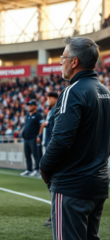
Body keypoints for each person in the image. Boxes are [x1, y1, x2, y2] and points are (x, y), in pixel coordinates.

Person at [40, 36, 110, 240]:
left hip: (72, 185)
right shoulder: (105, 92)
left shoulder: (72, 92)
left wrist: (44, 167)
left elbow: (61, 140)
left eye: (63, 57)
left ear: (74, 61)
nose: (61, 63)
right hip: (97, 185)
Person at [36, 91, 59, 228]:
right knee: (52, 184)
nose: (47, 99)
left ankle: (55, 216)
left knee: (54, 183)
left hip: (53, 151)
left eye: (50, 97)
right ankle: (55, 214)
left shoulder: (57, 110)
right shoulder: (51, 111)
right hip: (50, 149)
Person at [20, 100, 43, 177]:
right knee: (27, 155)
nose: (29, 106)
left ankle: (36, 170)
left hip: (33, 138)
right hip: (26, 138)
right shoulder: (27, 115)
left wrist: (39, 135)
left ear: (35, 106)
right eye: (28, 105)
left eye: (30, 105)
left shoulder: (38, 115)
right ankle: (29, 169)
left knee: (36, 155)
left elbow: (42, 125)